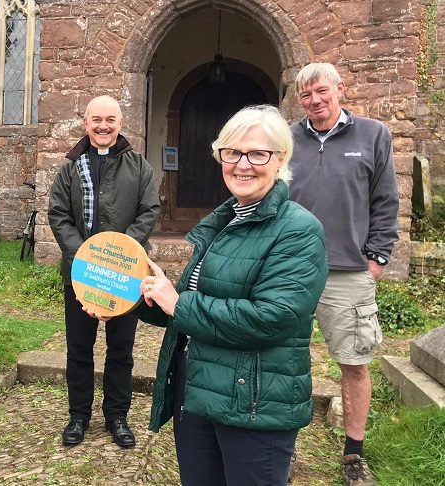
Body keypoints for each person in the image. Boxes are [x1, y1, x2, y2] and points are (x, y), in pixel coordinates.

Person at [131, 105, 328, 485]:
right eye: (232, 152)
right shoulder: (226, 220)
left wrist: (179, 302)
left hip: (255, 400)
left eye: (257, 153)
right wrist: (135, 299)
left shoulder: (298, 230)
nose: (243, 164)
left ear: (280, 158)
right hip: (199, 386)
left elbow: (273, 317)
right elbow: (187, 305)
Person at [288, 62, 399, 486]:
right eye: (305, 95)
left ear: (339, 90)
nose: (314, 101)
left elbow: (386, 201)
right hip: (292, 269)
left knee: (353, 363)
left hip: (348, 271)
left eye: (321, 91)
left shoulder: (373, 135)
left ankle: (353, 454)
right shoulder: (288, 139)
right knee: (284, 359)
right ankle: (284, 442)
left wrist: (378, 259)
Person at [47, 95, 160, 448]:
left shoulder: (138, 166)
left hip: (125, 276)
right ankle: (78, 416)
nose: (103, 126)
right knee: (79, 348)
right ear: (86, 123)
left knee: (121, 349)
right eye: (96, 120)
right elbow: (59, 214)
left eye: (110, 119)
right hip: (79, 276)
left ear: (120, 123)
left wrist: (121, 253)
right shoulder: (70, 167)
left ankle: (117, 416)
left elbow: (149, 209)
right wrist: (84, 257)